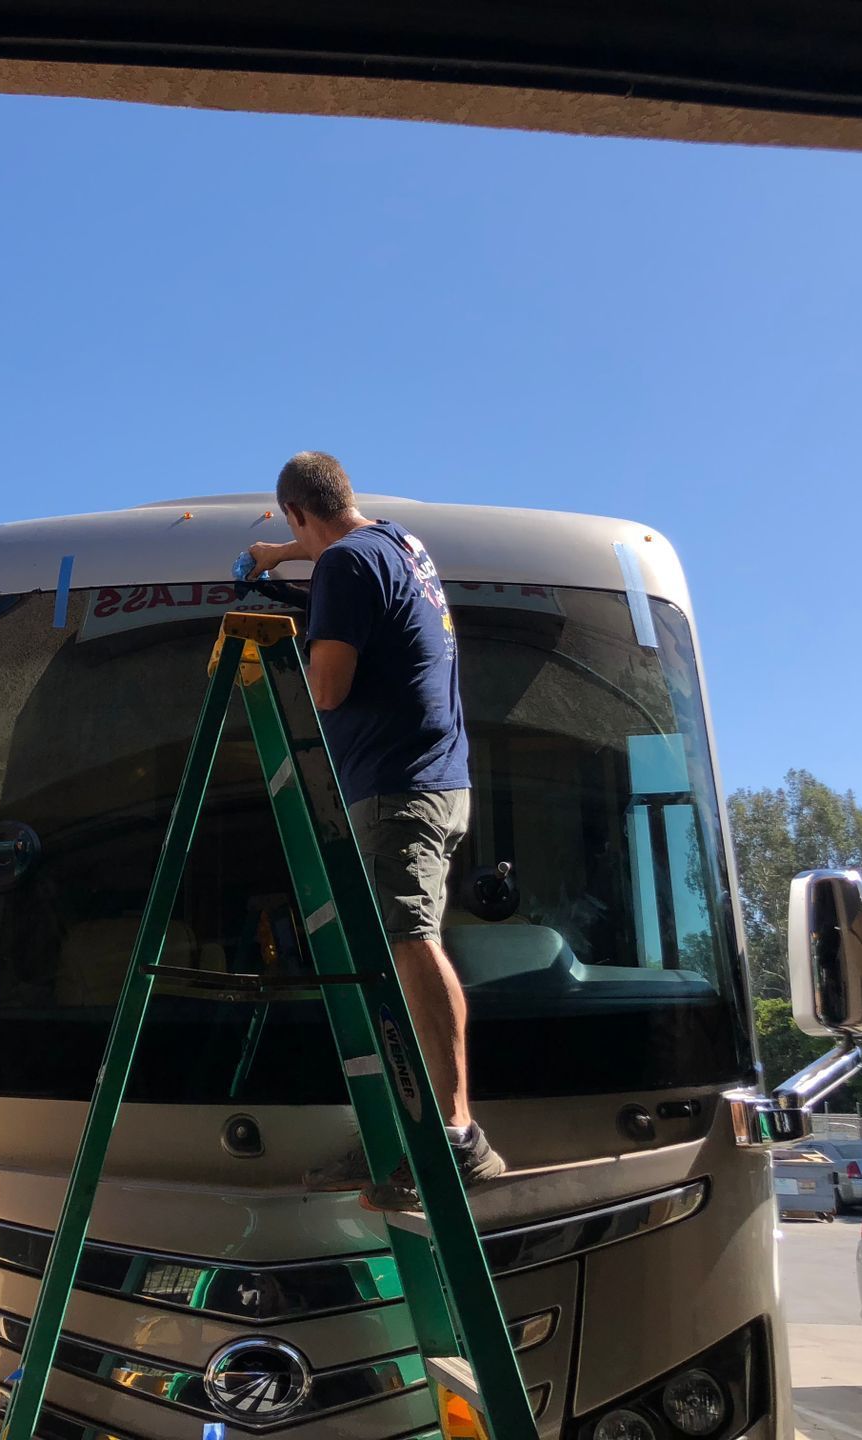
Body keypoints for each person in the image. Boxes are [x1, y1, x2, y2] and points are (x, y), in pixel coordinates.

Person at [244, 451, 508, 1191]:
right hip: (435, 777)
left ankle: (457, 1135)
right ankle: (409, 1127)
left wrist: (292, 628)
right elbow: (328, 541)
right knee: (399, 942)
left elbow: (327, 690)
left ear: (297, 510)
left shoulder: (345, 570)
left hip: (397, 785)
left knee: (410, 941)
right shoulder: (400, 543)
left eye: (293, 530)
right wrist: (280, 554)